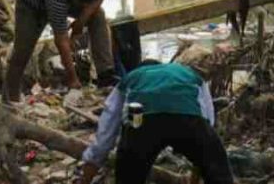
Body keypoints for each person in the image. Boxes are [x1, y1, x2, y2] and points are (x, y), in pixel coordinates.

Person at [77, 55, 233, 184]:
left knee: (128, 175)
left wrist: (86, 178)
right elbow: (208, 121)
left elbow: (105, 133)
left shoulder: (130, 79)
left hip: (140, 122)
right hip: (188, 120)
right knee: (219, 172)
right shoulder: (189, 75)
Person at [4, 0, 117, 103]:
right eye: (81, 4)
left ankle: (106, 75)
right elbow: (61, 40)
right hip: (32, 4)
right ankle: (10, 99)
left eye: (87, 4)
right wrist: (73, 78)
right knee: (22, 51)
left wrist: (81, 21)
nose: (84, 7)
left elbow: (98, 0)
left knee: (98, 14)